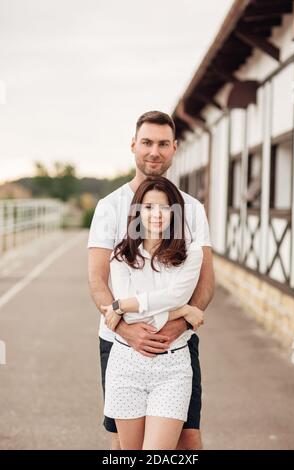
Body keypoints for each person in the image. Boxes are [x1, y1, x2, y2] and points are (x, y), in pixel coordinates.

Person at [88, 110, 215, 450]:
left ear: (174, 149)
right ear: (133, 145)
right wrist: (126, 330)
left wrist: (179, 325)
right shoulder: (109, 206)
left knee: (188, 438)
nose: (154, 151)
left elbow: (204, 282)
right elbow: (98, 280)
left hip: (175, 345)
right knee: (124, 441)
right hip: (120, 342)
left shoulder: (192, 209)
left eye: (162, 144)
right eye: (146, 142)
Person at [101, 176, 204, 449]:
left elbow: (173, 296)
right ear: (138, 212)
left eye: (164, 207)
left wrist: (122, 305)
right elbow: (135, 319)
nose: (156, 215)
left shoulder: (191, 253)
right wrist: (182, 311)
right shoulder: (121, 254)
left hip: (172, 368)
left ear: (176, 212)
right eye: (148, 208)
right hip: (126, 364)